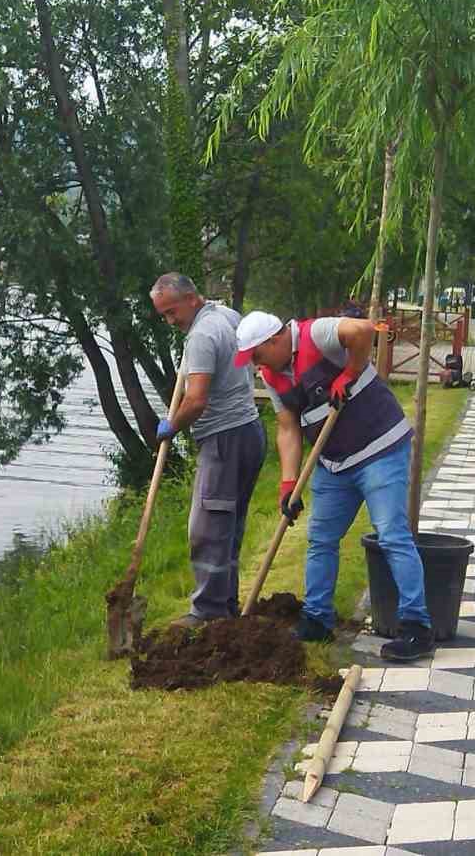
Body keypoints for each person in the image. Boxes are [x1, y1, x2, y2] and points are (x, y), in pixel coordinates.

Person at [233, 310, 435, 662]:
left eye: (257, 355)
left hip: (379, 448)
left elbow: (362, 330)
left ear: (274, 340)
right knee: (321, 538)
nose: (254, 364)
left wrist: (350, 373)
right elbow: (287, 428)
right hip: (334, 462)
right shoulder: (272, 375)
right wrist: (288, 483)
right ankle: (317, 619)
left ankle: (417, 626)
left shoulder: (317, 334)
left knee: (391, 534)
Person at [149, 273, 265, 628]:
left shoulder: (201, 334)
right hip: (249, 432)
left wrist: (173, 425)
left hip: (224, 439)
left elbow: (196, 400)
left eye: (171, 312)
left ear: (190, 298)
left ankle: (207, 612)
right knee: (228, 524)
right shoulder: (228, 316)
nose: (170, 322)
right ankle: (225, 605)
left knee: (207, 529)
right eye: (164, 316)